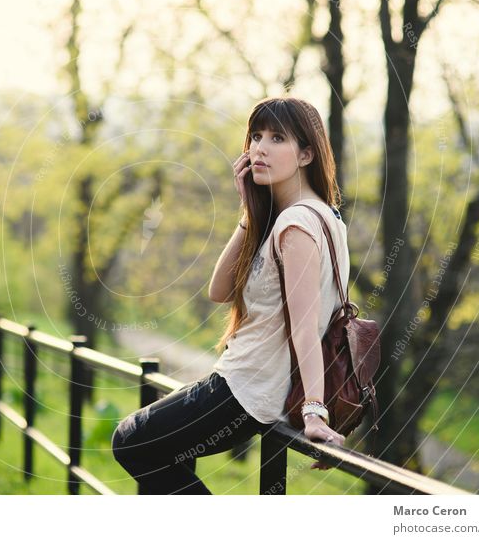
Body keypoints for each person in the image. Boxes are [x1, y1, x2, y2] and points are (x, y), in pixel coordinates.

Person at [111, 97, 350, 494]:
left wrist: (313, 411)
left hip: (246, 391)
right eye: (255, 136)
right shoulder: (320, 216)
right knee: (161, 448)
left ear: (307, 153)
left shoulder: (297, 224)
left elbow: (306, 326)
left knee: (132, 440)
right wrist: (249, 211)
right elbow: (219, 290)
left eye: (276, 138)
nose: (259, 147)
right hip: (243, 386)